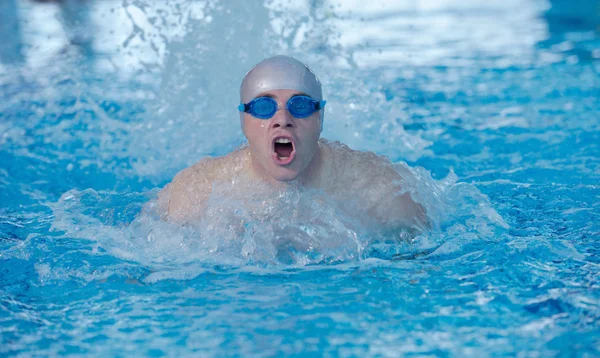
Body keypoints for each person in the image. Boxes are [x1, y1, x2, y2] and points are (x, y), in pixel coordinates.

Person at [156, 55, 428, 232]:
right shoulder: (196, 193)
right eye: (264, 107)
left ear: (320, 117)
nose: (282, 119)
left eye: (299, 105)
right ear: (244, 120)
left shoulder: (380, 191)